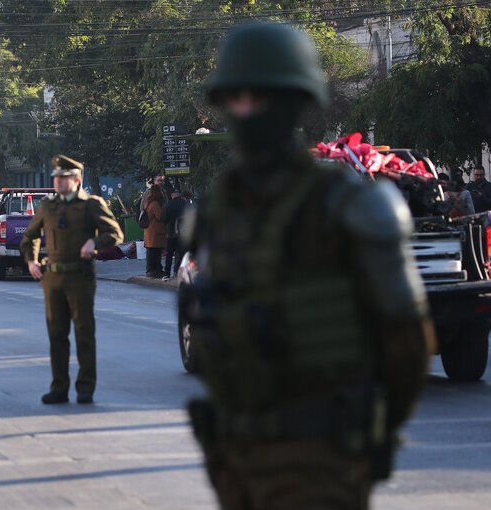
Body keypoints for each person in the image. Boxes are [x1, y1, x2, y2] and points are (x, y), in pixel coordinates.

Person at [185, 22, 434, 509]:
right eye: (234, 97)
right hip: (236, 458)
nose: (245, 110)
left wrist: (373, 433)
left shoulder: (347, 205)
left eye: (260, 97)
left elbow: (407, 341)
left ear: (295, 102)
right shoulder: (221, 207)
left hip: (323, 461)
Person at [21, 155, 123, 405]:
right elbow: (30, 235)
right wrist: (31, 260)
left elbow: (115, 233)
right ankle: (59, 387)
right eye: (56, 177)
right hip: (53, 277)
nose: (58, 182)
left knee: (83, 333)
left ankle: (85, 387)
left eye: (63, 177)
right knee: (56, 334)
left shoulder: (91, 205)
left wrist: (94, 243)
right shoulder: (48, 206)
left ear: (76, 179)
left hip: (80, 276)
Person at [160, 188, 188, 278]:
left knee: (169, 254)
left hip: (171, 234)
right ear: (179, 194)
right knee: (182, 254)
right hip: (183, 234)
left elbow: (163, 219)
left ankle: (167, 273)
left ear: (172, 195)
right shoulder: (186, 204)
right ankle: (179, 272)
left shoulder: (168, 205)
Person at [143, 184, 166, 278]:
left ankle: (152, 270)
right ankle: (155, 270)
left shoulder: (148, 202)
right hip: (155, 232)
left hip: (149, 232)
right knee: (155, 252)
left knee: (151, 252)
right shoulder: (155, 204)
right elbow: (160, 216)